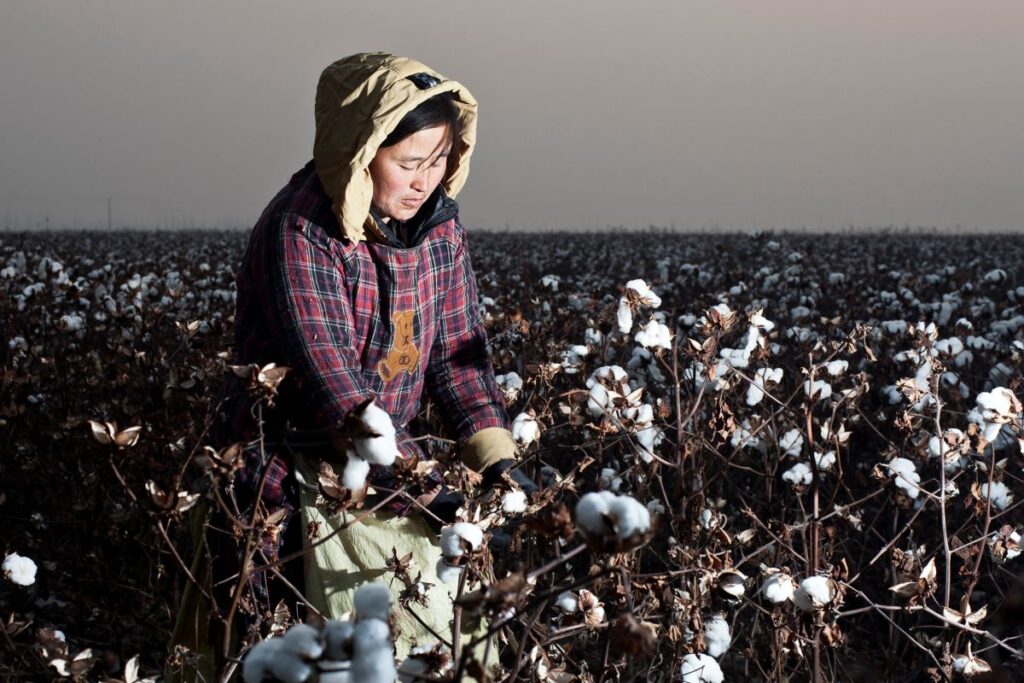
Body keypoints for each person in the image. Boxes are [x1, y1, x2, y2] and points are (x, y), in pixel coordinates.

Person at [168, 52, 535, 681]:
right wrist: (431, 492)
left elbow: (456, 360)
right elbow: (333, 386)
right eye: (408, 163)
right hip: (290, 480)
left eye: (438, 161)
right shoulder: (301, 229)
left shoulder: (439, 231)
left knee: (434, 644)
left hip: (389, 471)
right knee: (287, 651)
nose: (425, 180)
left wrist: (499, 464)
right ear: (358, 152)